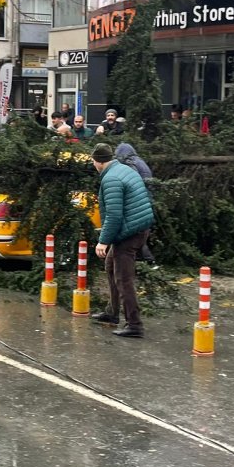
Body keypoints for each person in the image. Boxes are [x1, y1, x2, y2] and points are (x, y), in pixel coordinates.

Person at [87, 143, 155, 338]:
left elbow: (114, 216)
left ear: (97, 161)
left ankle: (134, 325)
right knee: (110, 266)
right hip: (137, 227)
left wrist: (103, 241)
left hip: (129, 232)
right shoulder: (123, 169)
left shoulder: (111, 179)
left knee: (123, 279)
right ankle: (112, 312)